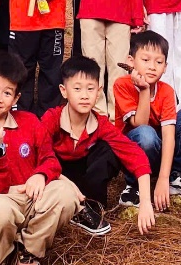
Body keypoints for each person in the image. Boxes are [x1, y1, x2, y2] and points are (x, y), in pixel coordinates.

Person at [0, 50, 81, 265]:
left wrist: (41, 175)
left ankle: (29, 251)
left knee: (65, 193)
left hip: (32, 198)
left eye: (7, 93)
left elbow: (50, 160)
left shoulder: (30, 122)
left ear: (16, 98)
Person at [42, 55, 155, 237]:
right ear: (64, 91)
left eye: (90, 89)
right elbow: (38, 156)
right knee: (43, 159)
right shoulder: (52, 119)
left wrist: (145, 202)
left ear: (99, 91)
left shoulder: (100, 123)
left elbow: (135, 155)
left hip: (86, 178)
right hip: (58, 178)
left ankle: (92, 207)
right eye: (77, 89)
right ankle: (71, 207)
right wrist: (67, 185)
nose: (84, 95)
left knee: (108, 150)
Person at [112, 30, 181, 207]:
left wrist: (163, 178)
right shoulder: (122, 85)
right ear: (131, 61)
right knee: (145, 133)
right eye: (145, 60)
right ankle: (133, 184)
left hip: (159, 149)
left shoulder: (166, 90)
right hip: (134, 150)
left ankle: (176, 175)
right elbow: (140, 124)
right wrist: (144, 90)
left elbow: (169, 134)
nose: (152, 66)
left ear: (165, 66)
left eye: (159, 62)